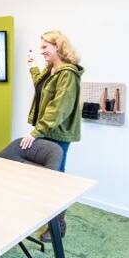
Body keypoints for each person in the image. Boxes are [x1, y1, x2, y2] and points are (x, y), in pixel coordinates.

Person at [19, 31, 84, 242]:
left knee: (56, 180)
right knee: (45, 178)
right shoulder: (51, 69)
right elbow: (41, 86)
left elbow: (59, 108)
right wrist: (32, 67)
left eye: (45, 47)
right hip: (47, 130)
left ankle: (58, 225)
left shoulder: (68, 74)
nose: (42, 51)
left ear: (58, 46)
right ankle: (47, 218)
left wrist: (36, 132)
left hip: (57, 133)